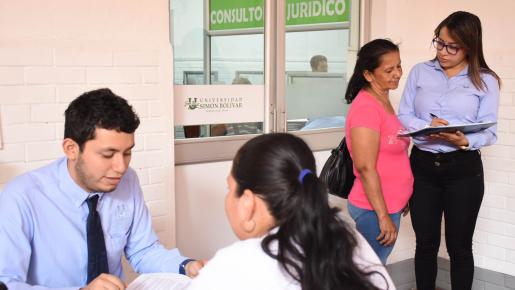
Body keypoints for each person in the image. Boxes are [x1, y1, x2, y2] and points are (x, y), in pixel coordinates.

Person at [0, 88, 204, 289]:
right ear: (71, 149)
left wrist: (186, 266)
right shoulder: (21, 198)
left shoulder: (127, 181)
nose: (121, 167)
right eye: (108, 155)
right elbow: (6, 282)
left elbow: (144, 250)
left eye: (127, 153)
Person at [186, 133, 394, 290]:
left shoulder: (232, 269)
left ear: (248, 203)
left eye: (229, 189)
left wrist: (218, 272)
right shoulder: (345, 235)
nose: (227, 199)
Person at [398, 11, 501, 290]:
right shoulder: (420, 71)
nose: (443, 51)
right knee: (426, 244)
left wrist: (464, 141)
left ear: (469, 45)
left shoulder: (486, 80)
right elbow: (404, 114)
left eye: (452, 47)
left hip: (463, 170)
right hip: (422, 167)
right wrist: (425, 124)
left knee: (460, 247)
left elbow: (490, 132)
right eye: (439, 43)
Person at [344, 39, 413, 264]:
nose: (397, 74)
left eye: (399, 66)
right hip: (373, 208)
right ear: (368, 74)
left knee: (372, 270)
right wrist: (382, 216)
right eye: (389, 70)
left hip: (390, 204)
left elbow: (393, 156)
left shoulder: (383, 100)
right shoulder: (366, 108)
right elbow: (365, 167)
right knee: (368, 274)